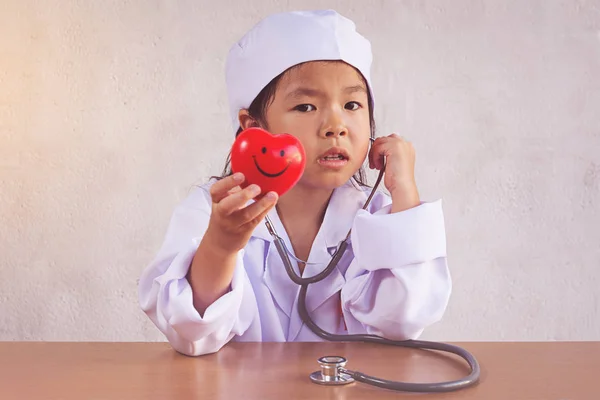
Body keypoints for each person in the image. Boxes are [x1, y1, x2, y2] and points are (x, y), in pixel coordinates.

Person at [138, 9, 451, 356]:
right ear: (253, 128)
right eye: (305, 107)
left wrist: (404, 189)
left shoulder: (380, 214)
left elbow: (404, 321)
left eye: (351, 104)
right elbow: (190, 332)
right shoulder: (211, 210)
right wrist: (221, 246)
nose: (336, 125)